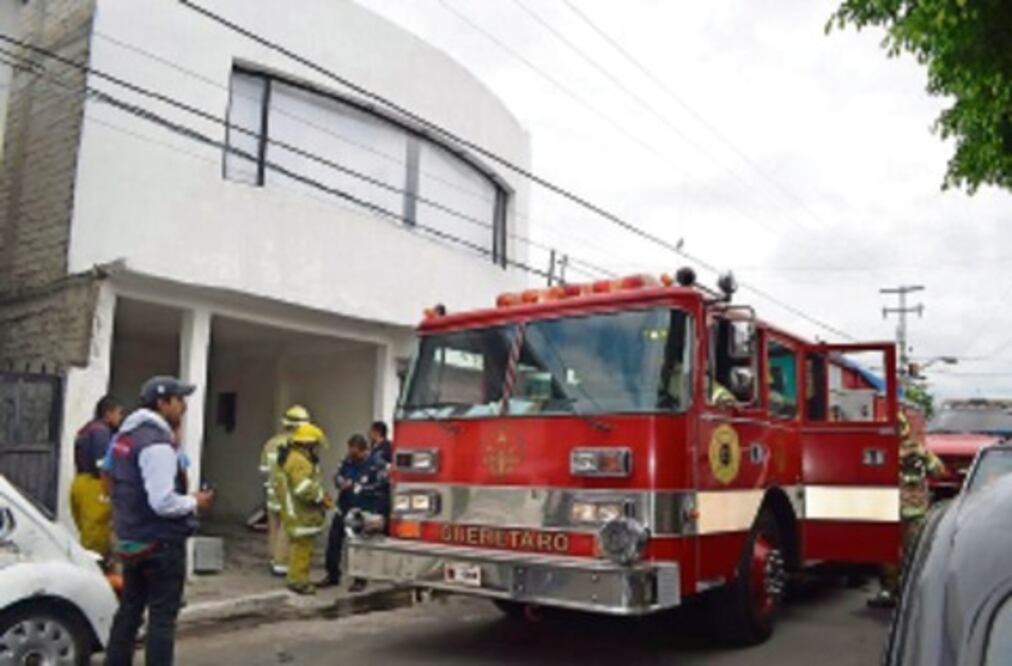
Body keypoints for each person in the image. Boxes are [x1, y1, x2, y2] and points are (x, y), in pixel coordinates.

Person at [105, 376, 214, 666]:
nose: (184, 407)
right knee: (162, 619)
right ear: (163, 403)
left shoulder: (125, 438)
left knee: (129, 610)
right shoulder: (156, 444)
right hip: (160, 544)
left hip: (132, 539)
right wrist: (195, 501)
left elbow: (111, 478)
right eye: (180, 401)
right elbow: (163, 501)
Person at [868, 411, 945, 608]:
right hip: (891, 510)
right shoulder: (882, 451)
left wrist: (919, 459)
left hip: (912, 511)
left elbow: (939, 470)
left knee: (913, 553)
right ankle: (889, 591)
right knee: (887, 554)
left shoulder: (917, 451)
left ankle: (908, 592)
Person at [276, 422, 333, 595]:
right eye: (315, 445)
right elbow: (302, 488)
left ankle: (297, 578)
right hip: (301, 512)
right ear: (308, 444)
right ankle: (299, 582)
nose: (316, 449)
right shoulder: (299, 461)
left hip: (299, 511)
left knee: (300, 548)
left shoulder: (295, 458)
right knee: (302, 549)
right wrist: (321, 497)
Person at [319, 434, 381, 591]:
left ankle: (360, 579)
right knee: (334, 541)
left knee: (359, 545)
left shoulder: (374, 464)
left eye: (354, 451)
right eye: (350, 450)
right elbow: (337, 476)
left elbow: (380, 486)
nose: (351, 453)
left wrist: (356, 486)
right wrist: (341, 482)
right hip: (344, 507)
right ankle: (332, 575)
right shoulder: (347, 461)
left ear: (362, 450)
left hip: (362, 509)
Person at [69, 395, 123, 560]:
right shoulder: (101, 432)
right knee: (96, 539)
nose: (120, 418)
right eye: (118, 413)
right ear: (108, 413)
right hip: (95, 485)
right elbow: (103, 465)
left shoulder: (87, 429)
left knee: (87, 532)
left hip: (79, 482)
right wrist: (111, 490)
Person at [259, 405, 311, 576]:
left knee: (273, 527)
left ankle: (274, 559)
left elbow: (264, 469)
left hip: (273, 492)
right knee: (287, 530)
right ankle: (282, 565)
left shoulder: (271, 443)